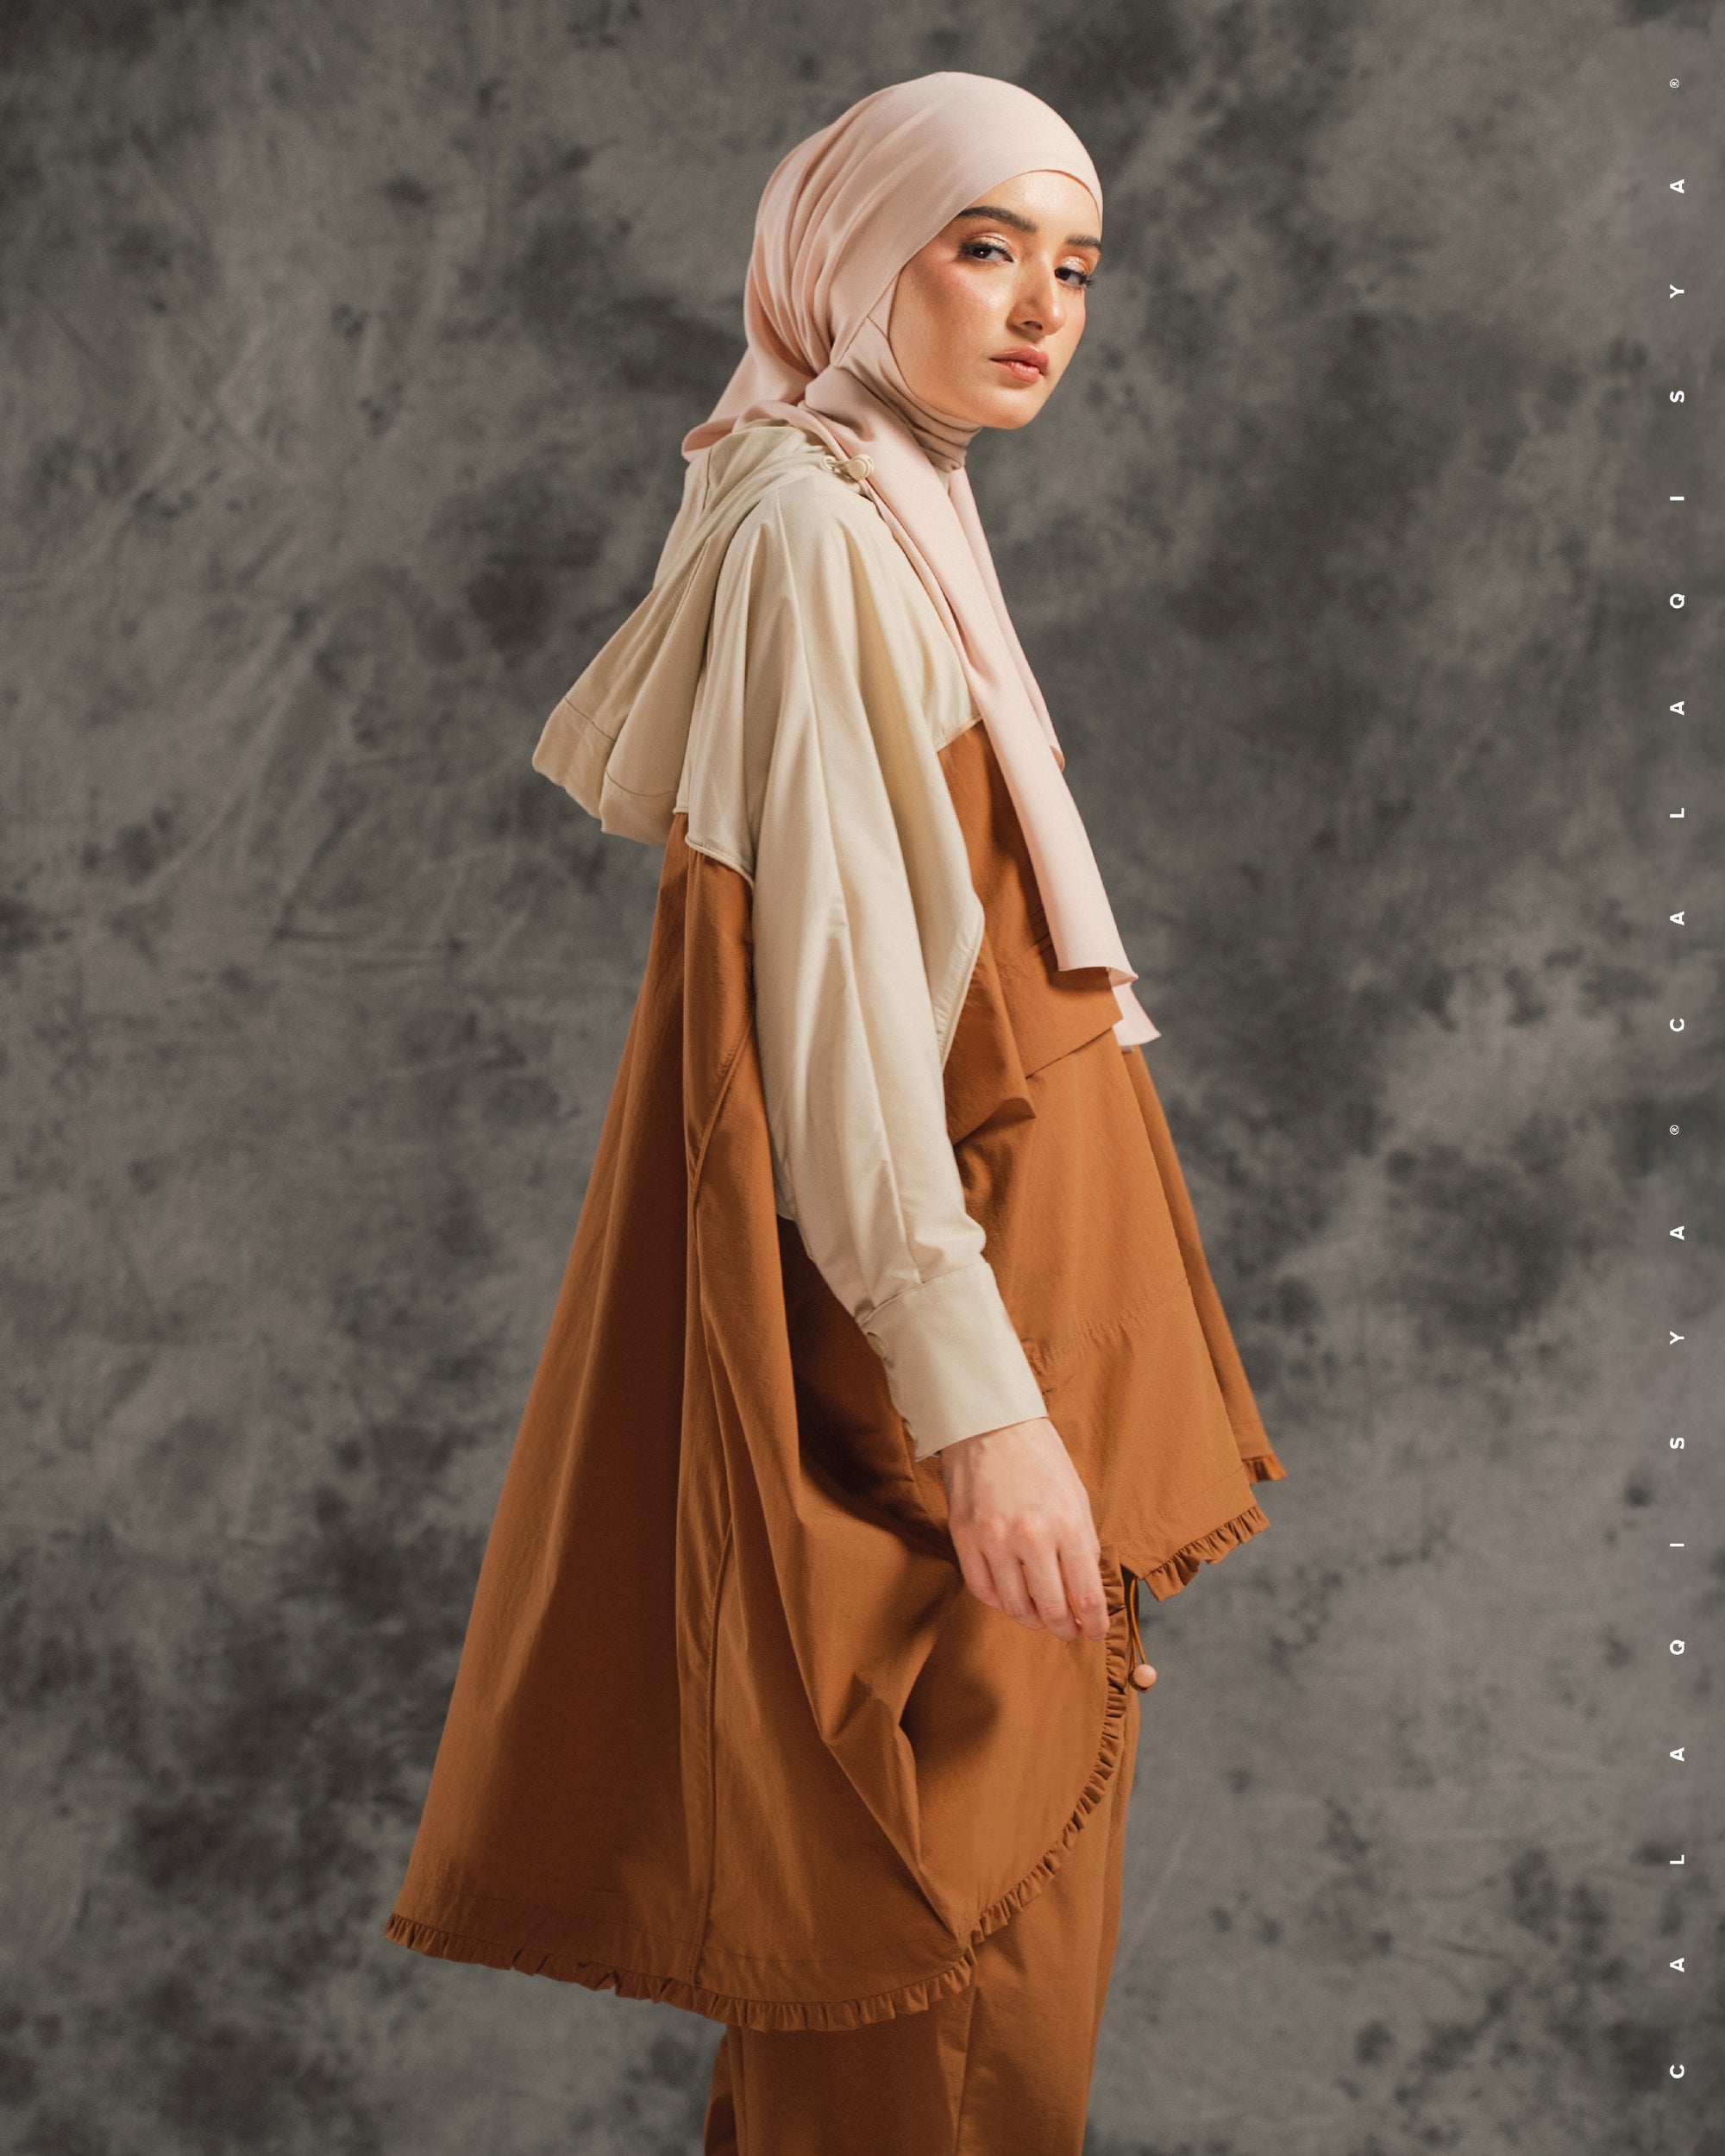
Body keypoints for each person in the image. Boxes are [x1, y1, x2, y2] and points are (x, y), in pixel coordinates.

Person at [383, 72, 1285, 2155]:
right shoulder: (815, 529)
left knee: (915, 2022)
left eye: (1075, 265)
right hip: (934, 1391)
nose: (1042, 306)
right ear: (851, 259)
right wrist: (981, 1413)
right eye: (985, 247)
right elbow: (844, 1023)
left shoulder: (885, 502)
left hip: (985, 1360)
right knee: (932, 2020)